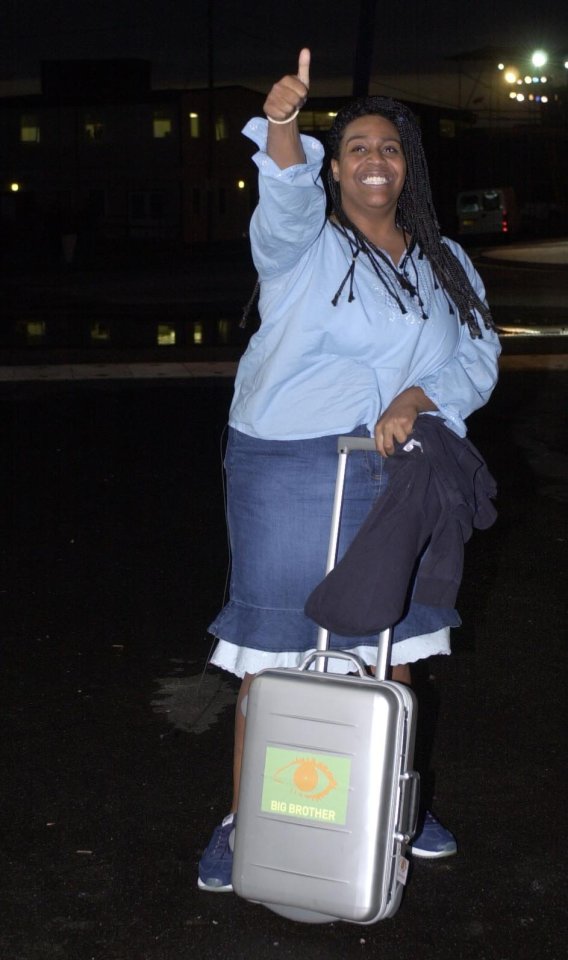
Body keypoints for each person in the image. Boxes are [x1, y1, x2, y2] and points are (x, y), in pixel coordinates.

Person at [198, 49, 501, 892]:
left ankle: (390, 803)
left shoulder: (448, 264)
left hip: (402, 469)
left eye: (391, 148)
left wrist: (418, 395)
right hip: (289, 465)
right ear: (337, 169)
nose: (376, 159)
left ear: (409, 169)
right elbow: (284, 199)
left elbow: (477, 355)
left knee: (391, 647)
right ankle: (244, 818)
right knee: (276, 652)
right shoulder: (304, 246)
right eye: (358, 147)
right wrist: (286, 124)